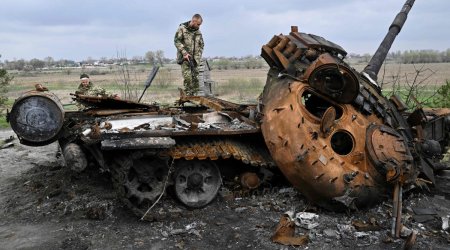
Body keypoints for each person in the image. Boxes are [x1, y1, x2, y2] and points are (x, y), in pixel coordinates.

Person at [174, 14, 204, 96]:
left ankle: (195, 97)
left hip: (195, 60)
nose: (199, 26)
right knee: (188, 79)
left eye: (200, 25)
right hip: (185, 59)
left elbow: (202, 45)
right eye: (198, 24)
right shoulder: (182, 29)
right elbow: (176, 41)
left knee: (196, 80)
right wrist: (184, 53)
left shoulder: (198, 32)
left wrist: (198, 56)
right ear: (193, 21)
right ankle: (188, 97)